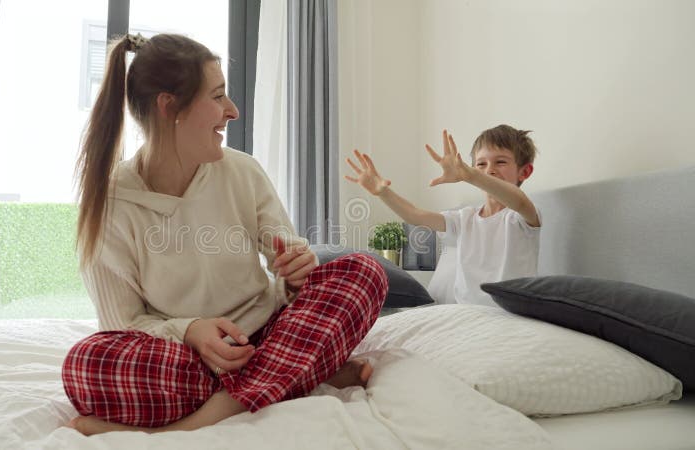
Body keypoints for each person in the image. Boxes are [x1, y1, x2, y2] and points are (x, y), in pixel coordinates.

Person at [62, 33, 388, 435]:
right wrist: (191, 330)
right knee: (85, 363)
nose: (232, 111)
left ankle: (197, 420)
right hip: (189, 357)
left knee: (362, 271)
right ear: (170, 107)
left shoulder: (243, 171)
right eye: (217, 97)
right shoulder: (110, 204)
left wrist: (297, 274)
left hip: (269, 332)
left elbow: (291, 270)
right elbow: (122, 325)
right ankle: (301, 375)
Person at [345, 125, 540, 306]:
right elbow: (416, 215)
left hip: (507, 315)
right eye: (481, 164)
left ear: (525, 172)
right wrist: (383, 193)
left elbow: (519, 201)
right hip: (466, 313)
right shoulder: (464, 218)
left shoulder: (521, 217)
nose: (489, 170)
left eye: (500, 162)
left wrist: (471, 174)